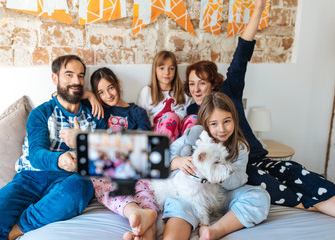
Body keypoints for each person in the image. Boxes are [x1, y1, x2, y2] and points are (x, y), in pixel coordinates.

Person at [184, 0, 335, 219]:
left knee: (295, 171)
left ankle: (322, 198)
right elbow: (187, 149)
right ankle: (312, 205)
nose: (197, 88)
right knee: (267, 183)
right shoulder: (191, 114)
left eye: (202, 82)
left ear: (212, 83)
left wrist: (259, 8)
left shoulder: (229, 91)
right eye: (191, 84)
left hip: (257, 157)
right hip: (237, 169)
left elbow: (242, 53)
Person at [0, 55, 107, 240]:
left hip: (69, 180)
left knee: (81, 187)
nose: (76, 81)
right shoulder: (41, 113)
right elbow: (36, 154)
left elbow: (104, 157)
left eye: (80, 75)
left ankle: (17, 230)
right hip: (31, 177)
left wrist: (81, 142)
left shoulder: (95, 115)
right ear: (55, 78)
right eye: (69, 75)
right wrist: (60, 159)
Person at [60, 67, 158, 240]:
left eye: (110, 88)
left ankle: (145, 217)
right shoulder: (100, 112)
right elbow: (60, 95)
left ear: (118, 84)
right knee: (104, 182)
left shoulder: (136, 112)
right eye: (101, 92)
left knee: (146, 192)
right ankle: (135, 213)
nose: (108, 95)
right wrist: (91, 96)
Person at [163, 92, 270, 240]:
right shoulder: (193, 138)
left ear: (235, 119)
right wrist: (176, 162)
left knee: (260, 197)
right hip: (190, 195)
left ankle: (213, 231)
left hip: (222, 195)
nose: (222, 129)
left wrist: (217, 172)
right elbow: (162, 156)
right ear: (205, 124)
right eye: (214, 124)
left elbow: (238, 180)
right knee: (178, 206)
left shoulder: (240, 147)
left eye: (227, 121)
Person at [137, 50, 196, 142]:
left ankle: (186, 150)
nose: (167, 72)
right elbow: (141, 118)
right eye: (162, 68)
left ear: (175, 71)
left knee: (194, 119)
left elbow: (188, 113)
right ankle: (168, 152)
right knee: (170, 117)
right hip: (160, 135)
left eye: (171, 68)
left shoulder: (183, 91)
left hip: (181, 134)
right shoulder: (147, 91)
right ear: (155, 70)